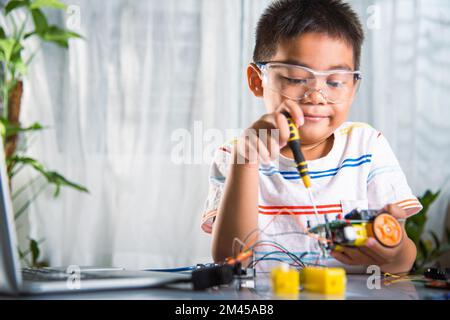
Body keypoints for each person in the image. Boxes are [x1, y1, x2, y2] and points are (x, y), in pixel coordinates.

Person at [201, 0, 422, 274]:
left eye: (335, 82)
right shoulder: (234, 155)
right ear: (258, 81)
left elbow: (404, 262)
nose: (317, 96)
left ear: (353, 87)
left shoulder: (367, 146)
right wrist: (245, 163)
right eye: (296, 78)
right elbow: (231, 261)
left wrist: (394, 251)